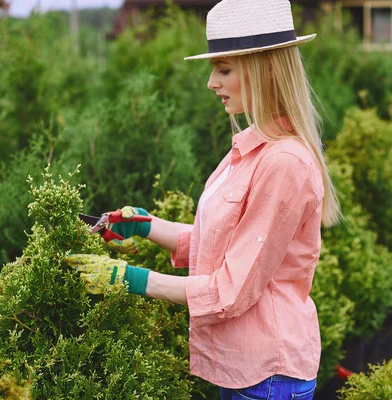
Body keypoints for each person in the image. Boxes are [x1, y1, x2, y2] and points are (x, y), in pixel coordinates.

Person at [64, 0, 341, 398]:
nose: (212, 82)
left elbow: (232, 289)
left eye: (223, 69)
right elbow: (229, 243)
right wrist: (146, 226)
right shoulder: (252, 148)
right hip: (247, 372)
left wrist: (132, 279)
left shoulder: (283, 163)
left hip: (268, 378)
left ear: (263, 70)